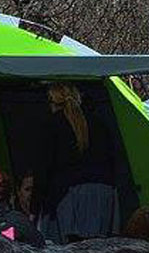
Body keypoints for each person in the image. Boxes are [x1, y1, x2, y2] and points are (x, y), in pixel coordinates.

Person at [38, 83, 121, 244]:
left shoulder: (53, 124)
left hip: (68, 195)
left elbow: (44, 167)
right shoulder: (99, 123)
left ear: (52, 101)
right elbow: (113, 159)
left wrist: (36, 207)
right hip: (102, 193)